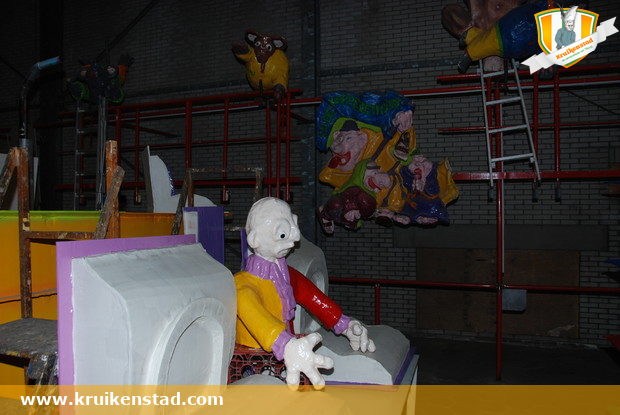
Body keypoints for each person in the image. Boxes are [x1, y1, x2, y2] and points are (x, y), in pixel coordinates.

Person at [234, 197, 376, 389]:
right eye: (283, 232)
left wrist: (344, 324)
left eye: (293, 225)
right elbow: (256, 317)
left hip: (281, 360)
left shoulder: (284, 274)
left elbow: (313, 297)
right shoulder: (243, 285)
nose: (295, 238)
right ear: (254, 240)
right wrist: (287, 345)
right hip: (251, 361)